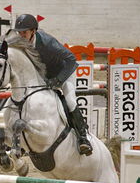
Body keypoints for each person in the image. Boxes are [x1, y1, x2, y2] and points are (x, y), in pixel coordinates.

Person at [14, 14, 92, 156]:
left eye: (24, 32)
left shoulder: (47, 42)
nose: (21, 35)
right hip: (44, 77)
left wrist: (58, 80)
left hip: (63, 72)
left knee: (70, 101)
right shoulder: (20, 44)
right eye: (19, 32)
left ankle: (83, 138)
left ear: (33, 31)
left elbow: (71, 59)